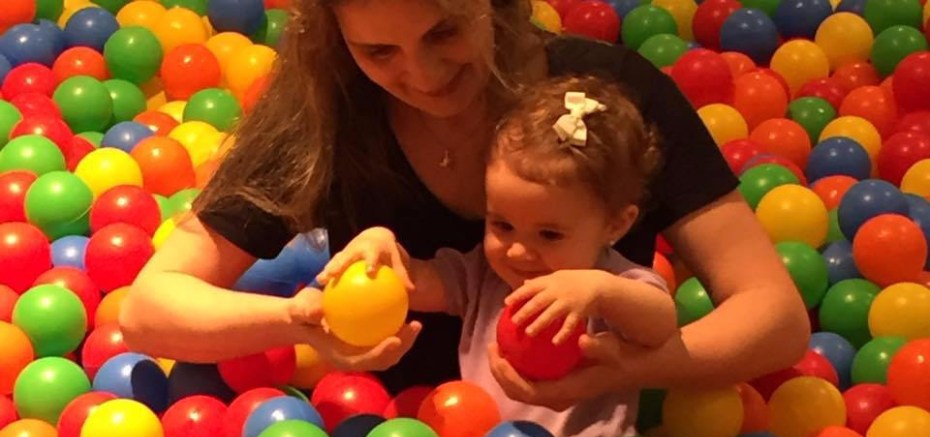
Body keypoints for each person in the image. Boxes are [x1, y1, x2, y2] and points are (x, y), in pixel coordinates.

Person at [120, 0, 810, 407]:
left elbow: (775, 318)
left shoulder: (608, 105)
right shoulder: (326, 112)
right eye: (379, 51)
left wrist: (631, 369)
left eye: (444, 32)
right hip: (394, 426)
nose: (421, 76)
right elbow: (149, 309)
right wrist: (301, 321)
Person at [318, 74, 677, 437]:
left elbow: (661, 323)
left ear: (616, 224)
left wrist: (600, 292)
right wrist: (380, 246)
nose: (518, 251)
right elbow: (414, 285)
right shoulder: (483, 274)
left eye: (549, 235)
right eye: (502, 225)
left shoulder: (613, 281)